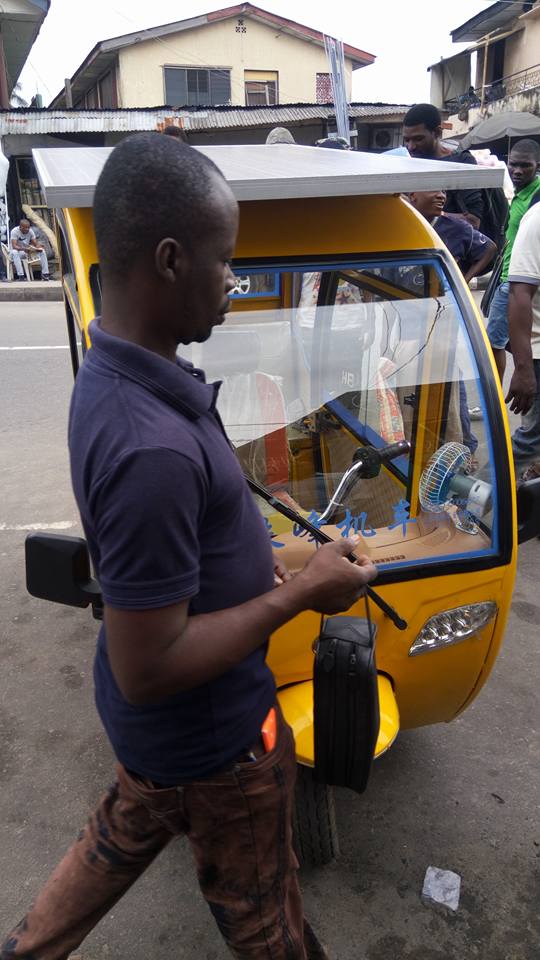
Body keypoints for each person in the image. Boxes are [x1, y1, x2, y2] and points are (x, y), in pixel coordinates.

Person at [0, 133, 376, 960]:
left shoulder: (120, 370)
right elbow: (150, 665)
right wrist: (301, 595)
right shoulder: (151, 449)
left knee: (123, 832)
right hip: (219, 752)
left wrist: (277, 559)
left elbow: (183, 562)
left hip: (163, 746)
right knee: (267, 922)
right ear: (169, 260)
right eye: (225, 261)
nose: (234, 283)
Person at [408, 189, 496, 454]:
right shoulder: (405, 224)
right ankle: (424, 440)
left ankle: (463, 444)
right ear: (412, 195)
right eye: (433, 191)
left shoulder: (454, 226)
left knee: (449, 378)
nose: (441, 196)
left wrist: (464, 279)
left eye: (443, 191)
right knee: (414, 379)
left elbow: (489, 248)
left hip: (444, 314)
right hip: (408, 313)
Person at [486, 139, 540, 382]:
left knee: (493, 342)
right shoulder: (518, 195)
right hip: (508, 276)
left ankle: (495, 395)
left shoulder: (536, 198)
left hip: (518, 282)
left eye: (525, 166)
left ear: (537, 166)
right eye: (513, 164)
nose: (517, 171)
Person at [403, 103, 483, 230]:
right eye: (407, 140)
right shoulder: (407, 165)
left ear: (437, 132)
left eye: (418, 139)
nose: (411, 147)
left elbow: (473, 222)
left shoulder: (461, 162)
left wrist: (431, 213)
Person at [505, 202, 540, 479]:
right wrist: (524, 369)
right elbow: (519, 293)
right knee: (532, 440)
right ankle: (469, 506)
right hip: (538, 354)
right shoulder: (537, 220)